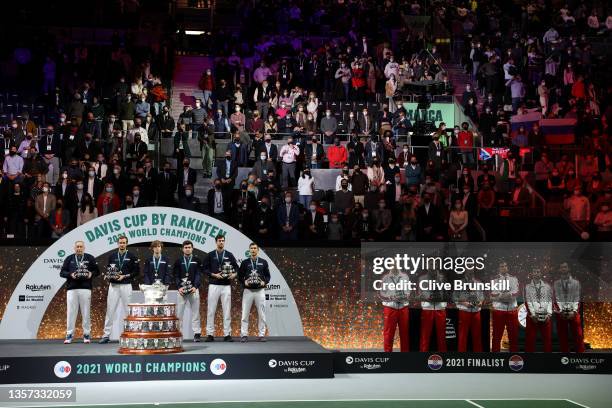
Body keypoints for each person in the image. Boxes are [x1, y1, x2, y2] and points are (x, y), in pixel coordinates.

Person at [100, 236, 140, 343]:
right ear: (118, 244)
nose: (122, 244)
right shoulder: (112, 256)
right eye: (120, 243)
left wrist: (125, 276)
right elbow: (109, 270)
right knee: (110, 310)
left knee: (128, 310)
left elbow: (136, 272)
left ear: (126, 244)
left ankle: (132, 332)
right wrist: (111, 276)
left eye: (124, 243)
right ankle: (106, 335)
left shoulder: (132, 256)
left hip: (126, 285)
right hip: (114, 285)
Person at [60, 241, 99, 344]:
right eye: (77, 246)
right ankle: (69, 335)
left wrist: (91, 274)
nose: (79, 248)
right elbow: (62, 272)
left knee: (86, 313)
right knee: (71, 313)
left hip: (85, 289)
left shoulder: (90, 258)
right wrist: (70, 275)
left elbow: (97, 271)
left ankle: (86, 334)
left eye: (81, 246)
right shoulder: (69, 258)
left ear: (84, 248)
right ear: (74, 248)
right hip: (72, 289)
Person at [204, 234, 239, 342]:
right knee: (211, 310)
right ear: (216, 242)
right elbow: (205, 269)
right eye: (219, 241)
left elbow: (237, 268)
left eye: (223, 241)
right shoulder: (210, 255)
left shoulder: (229, 254)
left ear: (224, 242)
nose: (221, 242)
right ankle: (210, 334)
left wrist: (234, 274)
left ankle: (227, 334)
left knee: (227, 310)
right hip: (214, 284)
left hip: (226, 285)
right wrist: (214, 275)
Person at [238, 243, 270, 342]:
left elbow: (268, 276)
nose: (253, 250)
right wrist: (244, 282)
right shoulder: (245, 262)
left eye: (255, 248)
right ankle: (244, 335)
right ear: (249, 250)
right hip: (248, 291)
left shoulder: (263, 262)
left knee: (262, 314)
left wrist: (265, 281)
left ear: (258, 250)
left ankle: (261, 334)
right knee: (245, 314)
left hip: (260, 291)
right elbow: (239, 276)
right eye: (251, 248)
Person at [173, 240, 204, 342]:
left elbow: (198, 275)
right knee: (179, 313)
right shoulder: (178, 261)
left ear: (192, 248)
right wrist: (179, 287)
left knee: (195, 313)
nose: (187, 249)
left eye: (189, 247)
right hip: (181, 291)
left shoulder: (197, 260)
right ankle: (179, 334)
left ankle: (197, 334)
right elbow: (176, 275)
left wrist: (195, 286)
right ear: (183, 249)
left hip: (193, 290)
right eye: (186, 247)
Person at [553, 262, 585, 353]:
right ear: (559, 270)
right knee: (562, 335)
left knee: (578, 335)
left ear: (569, 269)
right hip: (561, 312)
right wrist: (561, 311)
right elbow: (556, 298)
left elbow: (577, 297)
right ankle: (565, 355)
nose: (563, 269)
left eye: (565, 267)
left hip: (573, 312)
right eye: (561, 267)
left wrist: (574, 311)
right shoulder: (556, 283)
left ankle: (580, 354)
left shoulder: (576, 283)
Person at [490, 261, 520, 352]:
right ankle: (495, 358)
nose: (504, 267)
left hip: (512, 310)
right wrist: (506, 296)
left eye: (505, 266)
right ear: (499, 268)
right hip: (499, 310)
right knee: (496, 336)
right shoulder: (494, 280)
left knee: (513, 336)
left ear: (507, 267)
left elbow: (516, 293)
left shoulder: (514, 279)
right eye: (501, 266)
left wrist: (502, 295)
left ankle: (514, 357)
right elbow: (492, 295)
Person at [380, 266, 410, 352]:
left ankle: (405, 356)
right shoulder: (386, 277)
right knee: (388, 333)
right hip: (390, 307)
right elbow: (381, 293)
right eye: (393, 264)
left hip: (403, 307)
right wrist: (390, 297)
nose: (395, 266)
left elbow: (408, 291)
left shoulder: (405, 276)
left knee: (405, 333)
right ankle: (388, 355)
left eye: (396, 264)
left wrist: (406, 296)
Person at [453, 270, 484, 352]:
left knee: (477, 335)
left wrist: (480, 302)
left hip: (476, 311)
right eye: (468, 271)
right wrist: (464, 303)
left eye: (472, 271)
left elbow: (481, 296)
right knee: (462, 336)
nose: (470, 273)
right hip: (464, 311)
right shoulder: (460, 283)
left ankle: (478, 357)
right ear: (465, 272)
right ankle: (461, 355)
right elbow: (454, 297)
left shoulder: (479, 282)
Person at [524, 267, 553, 352]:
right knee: (530, 340)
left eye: (538, 271)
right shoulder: (527, 287)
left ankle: (548, 359)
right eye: (535, 272)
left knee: (547, 339)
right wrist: (532, 315)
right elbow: (527, 301)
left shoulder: (547, 286)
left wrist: (549, 314)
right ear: (532, 274)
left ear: (541, 274)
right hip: (533, 317)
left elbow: (550, 300)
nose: (536, 273)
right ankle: (529, 360)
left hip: (545, 316)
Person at [418, 269, 448, 352]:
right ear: (428, 266)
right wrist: (428, 297)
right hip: (427, 308)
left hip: (440, 308)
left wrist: (442, 298)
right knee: (425, 335)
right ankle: (422, 357)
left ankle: (443, 357)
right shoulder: (422, 278)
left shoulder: (443, 278)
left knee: (442, 336)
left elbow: (447, 292)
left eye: (435, 265)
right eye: (431, 265)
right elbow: (419, 293)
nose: (433, 267)